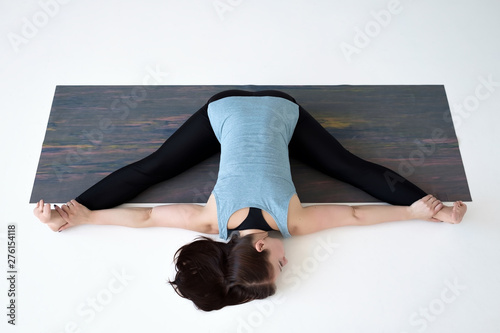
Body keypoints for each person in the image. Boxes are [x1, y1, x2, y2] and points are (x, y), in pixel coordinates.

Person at [33, 89, 467, 311]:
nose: (287, 262)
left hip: (282, 107)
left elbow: (355, 214)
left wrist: (417, 212)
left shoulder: (291, 222)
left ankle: (441, 212)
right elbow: (145, 217)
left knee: (350, 169)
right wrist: (80, 215)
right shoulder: (210, 221)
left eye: (278, 264)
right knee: (154, 168)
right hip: (222, 108)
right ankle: (63, 214)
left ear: (260, 246)